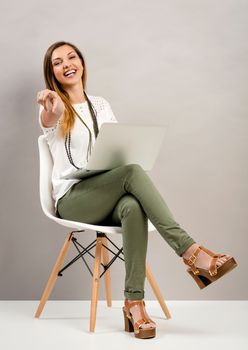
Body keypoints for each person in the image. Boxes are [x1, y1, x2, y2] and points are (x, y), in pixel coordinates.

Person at [37, 41, 238, 339]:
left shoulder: (101, 105)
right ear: (51, 72)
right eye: (57, 62)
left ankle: (134, 303)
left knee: (131, 205)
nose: (67, 64)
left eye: (72, 57)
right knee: (132, 172)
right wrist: (50, 108)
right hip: (74, 200)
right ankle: (192, 253)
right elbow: (47, 122)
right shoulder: (53, 106)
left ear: (82, 62)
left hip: (106, 190)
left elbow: (118, 150)